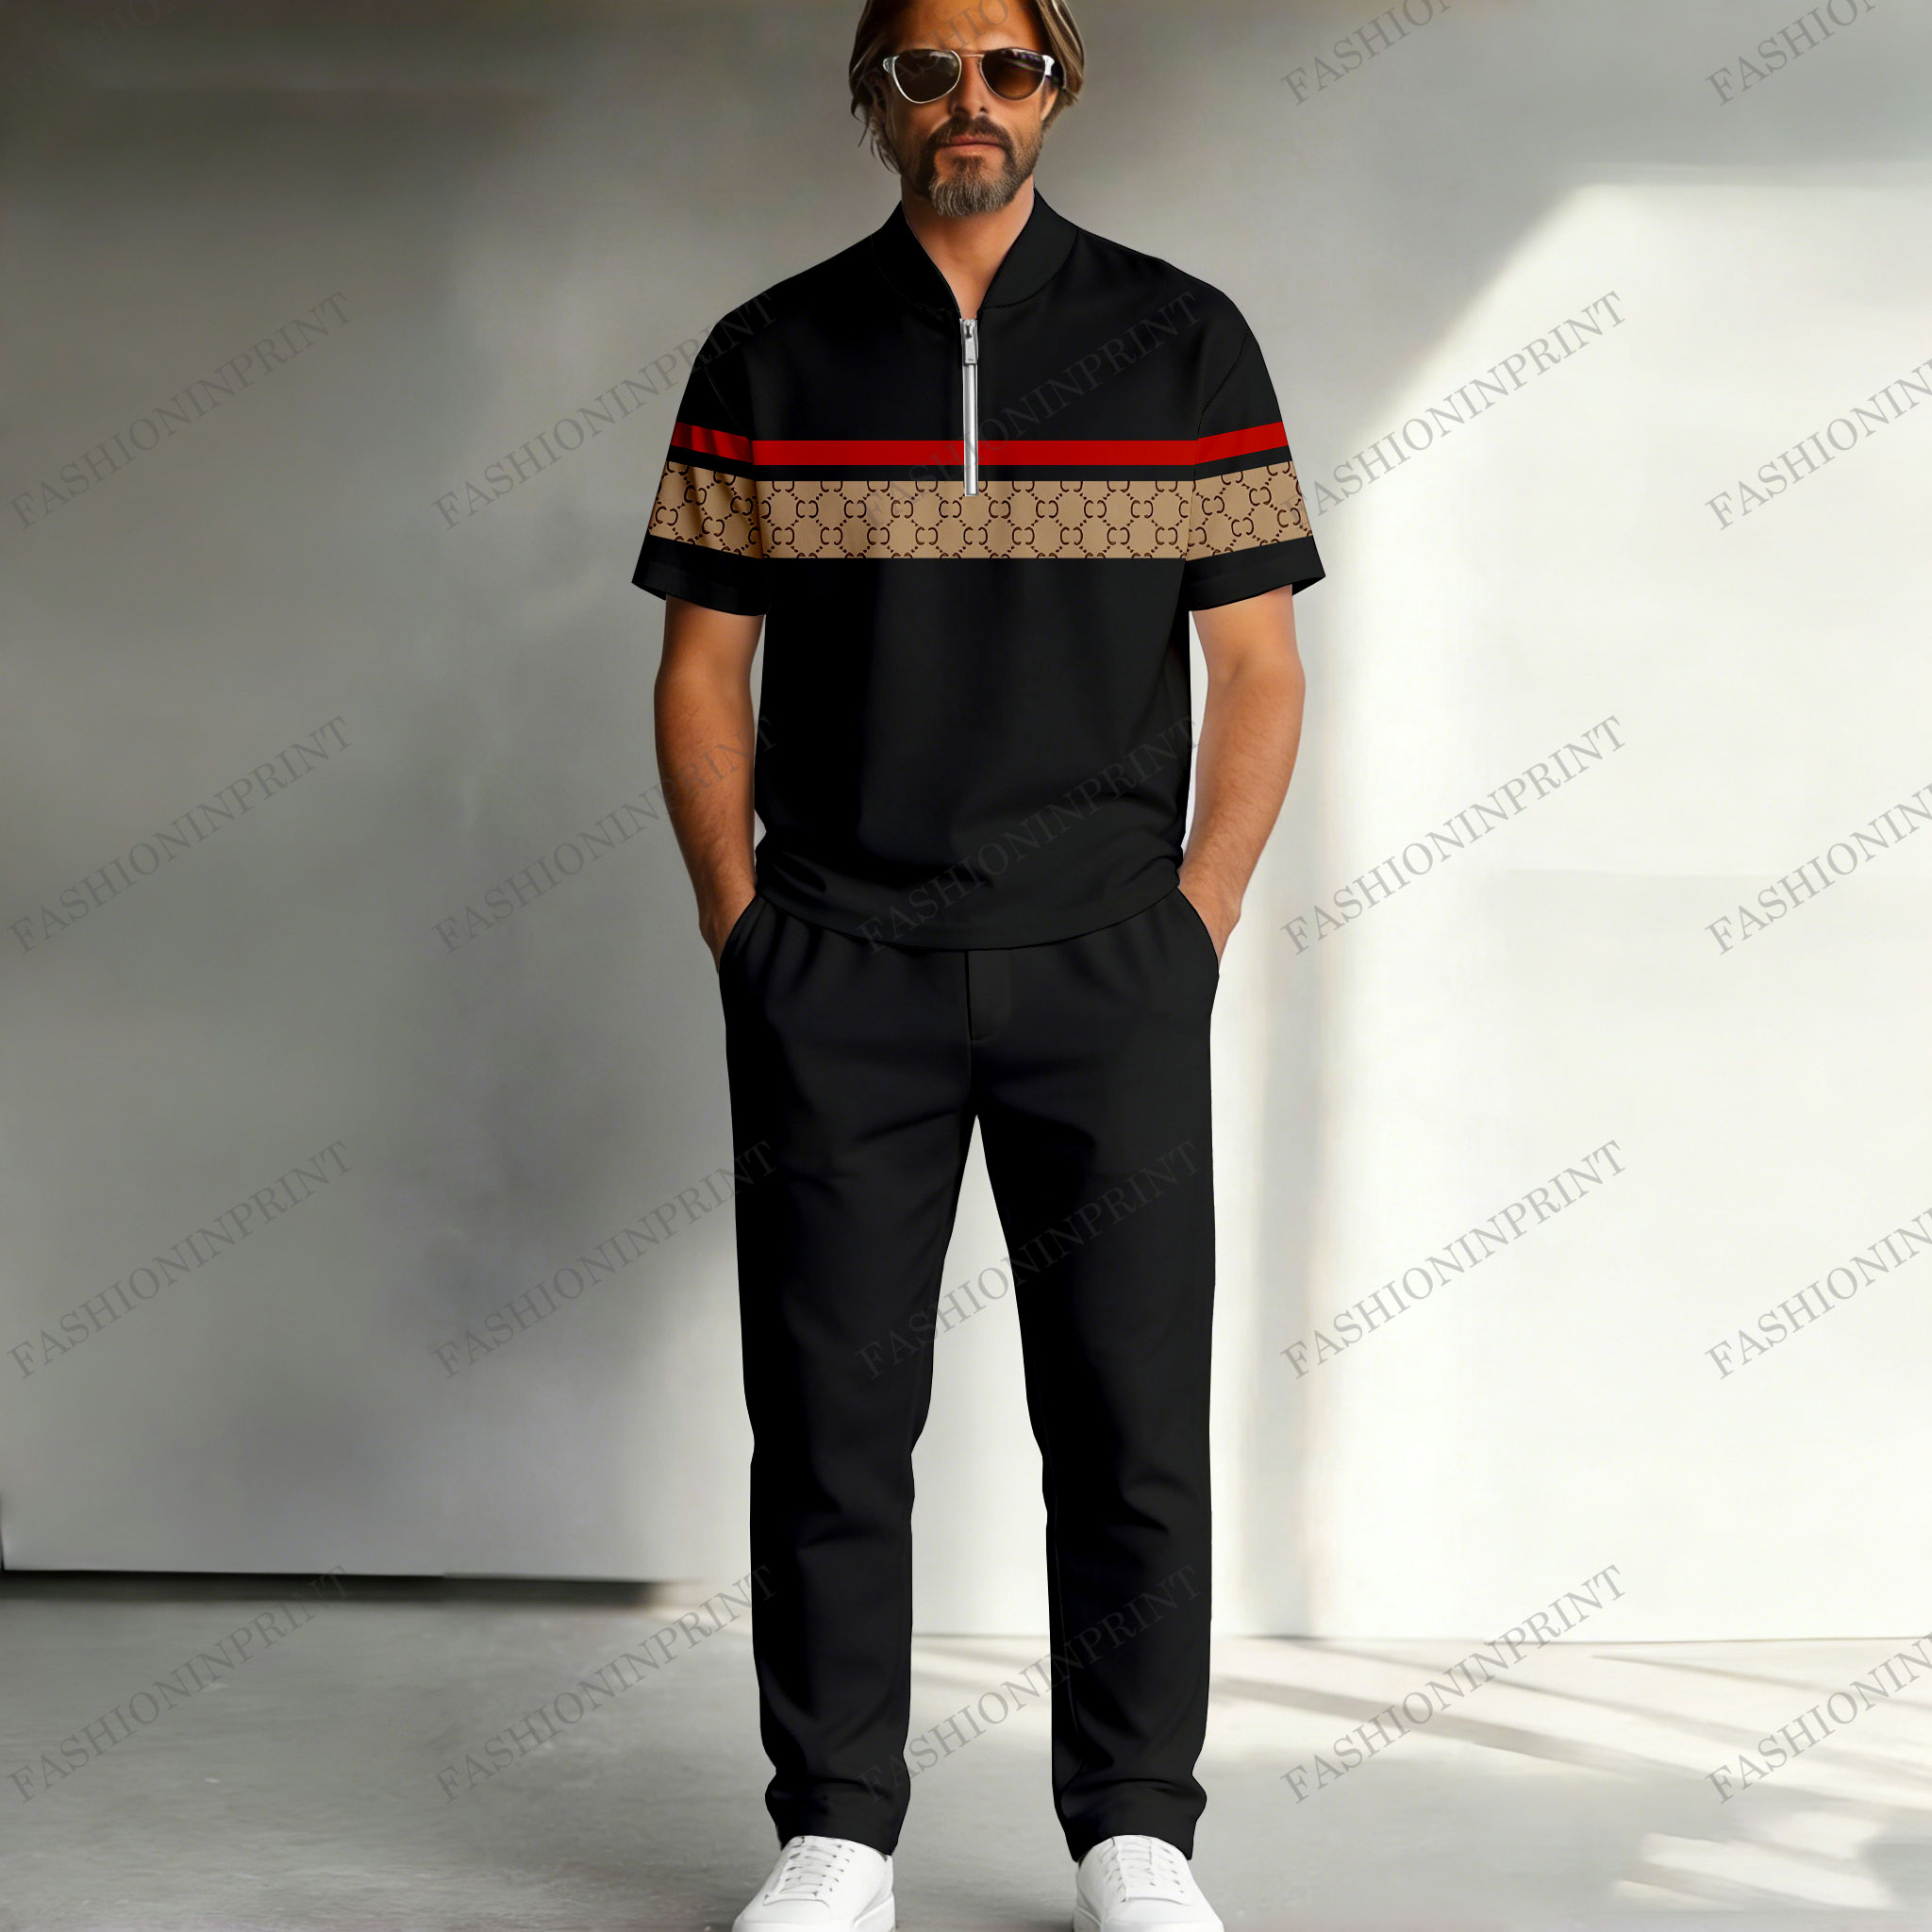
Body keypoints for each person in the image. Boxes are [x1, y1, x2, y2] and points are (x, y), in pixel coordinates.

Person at [633, 2, 1323, 1924]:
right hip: (837, 966)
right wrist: (741, 922)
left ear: (1058, 87)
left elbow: (1259, 665)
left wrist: (1196, 918)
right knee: (829, 1420)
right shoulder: (768, 352)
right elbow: (701, 666)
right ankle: (837, 1830)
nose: (968, 102)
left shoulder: (1182, 341)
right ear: (875, 90)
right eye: (925, 68)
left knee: (1129, 1419)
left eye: (1006, 67)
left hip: (1108, 966)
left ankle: (1135, 1832)